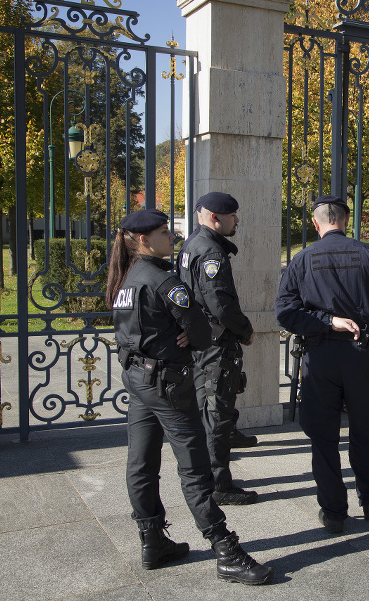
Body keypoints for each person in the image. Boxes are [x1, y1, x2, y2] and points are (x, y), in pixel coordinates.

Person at [106, 208, 273, 585]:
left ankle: (152, 540)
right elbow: (200, 332)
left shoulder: (126, 277)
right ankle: (225, 549)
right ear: (144, 240)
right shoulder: (163, 279)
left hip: (138, 381)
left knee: (141, 462)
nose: (172, 237)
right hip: (168, 384)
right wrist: (186, 333)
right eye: (165, 232)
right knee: (195, 468)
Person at [275, 194, 369, 533]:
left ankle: (333, 511)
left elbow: (286, 313)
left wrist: (324, 321)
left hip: (320, 359)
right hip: (363, 355)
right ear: (346, 221)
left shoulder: (301, 260)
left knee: (323, 437)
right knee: (365, 432)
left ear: (315, 223)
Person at [177, 192, 259, 506]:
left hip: (202, 341)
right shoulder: (211, 251)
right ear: (215, 217)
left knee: (213, 409)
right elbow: (220, 304)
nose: (236, 220)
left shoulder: (192, 244)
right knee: (216, 414)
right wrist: (246, 331)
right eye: (232, 215)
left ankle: (214, 463)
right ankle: (218, 484)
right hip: (216, 345)